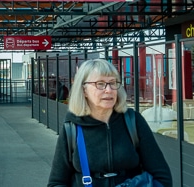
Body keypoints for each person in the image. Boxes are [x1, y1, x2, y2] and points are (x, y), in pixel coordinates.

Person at [47, 59, 172, 187]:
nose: (109, 90)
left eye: (113, 83)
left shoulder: (133, 121)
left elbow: (162, 177)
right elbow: (56, 183)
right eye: (100, 84)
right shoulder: (72, 128)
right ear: (84, 90)